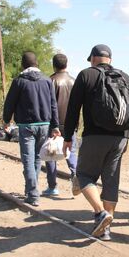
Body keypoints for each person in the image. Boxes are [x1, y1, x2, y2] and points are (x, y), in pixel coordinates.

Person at [62, 44, 129, 241]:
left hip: (94, 135)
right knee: (111, 181)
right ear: (109, 59)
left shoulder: (86, 75)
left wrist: (68, 137)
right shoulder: (125, 76)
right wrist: (127, 137)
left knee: (84, 175)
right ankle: (105, 229)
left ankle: (100, 212)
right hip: (120, 137)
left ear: (93, 58)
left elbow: (73, 109)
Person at [3, 51, 59, 207]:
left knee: (28, 158)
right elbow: (53, 104)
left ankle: (32, 194)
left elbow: (10, 103)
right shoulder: (47, 81)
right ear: (37, 64)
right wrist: (55, 125)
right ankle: (30, 190)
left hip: (26, 125)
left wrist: (6, 120)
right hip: (44, 125)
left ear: (23, 64)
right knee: (36, 158)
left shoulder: (19, 81)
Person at [43, 54, 77, 197]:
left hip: (54, 124)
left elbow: (48, 105)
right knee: (71, 152)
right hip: (71, 123)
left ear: (54, 65)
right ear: (66, 64)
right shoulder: (74, 81)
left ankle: (52, 187)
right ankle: (77, 176)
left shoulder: (50, 80)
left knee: (51, 153)